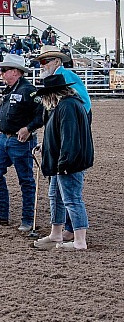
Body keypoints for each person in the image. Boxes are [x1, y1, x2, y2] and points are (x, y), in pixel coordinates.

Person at [33, 45, 93, 242]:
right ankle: (62, 232)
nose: (42, 65)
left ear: (56, 61)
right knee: (58, 193)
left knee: (68, 194)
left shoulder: (65, 83)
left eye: (45, 61)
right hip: (66, 140)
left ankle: (72, 233)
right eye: (41, 62)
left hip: (70, 146)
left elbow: (81, 110)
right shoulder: (64, 85)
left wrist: (65, 148)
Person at [0, 54, 43, 232]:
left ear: (15, 72)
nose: (1, 73)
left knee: (26, 180)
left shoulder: (28, 90)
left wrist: (28, 128)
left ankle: (28, 219)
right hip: (5, 139)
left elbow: (42, 114)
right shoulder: (10, 89)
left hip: (21, 140)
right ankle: (0, 212)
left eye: (4, 70)